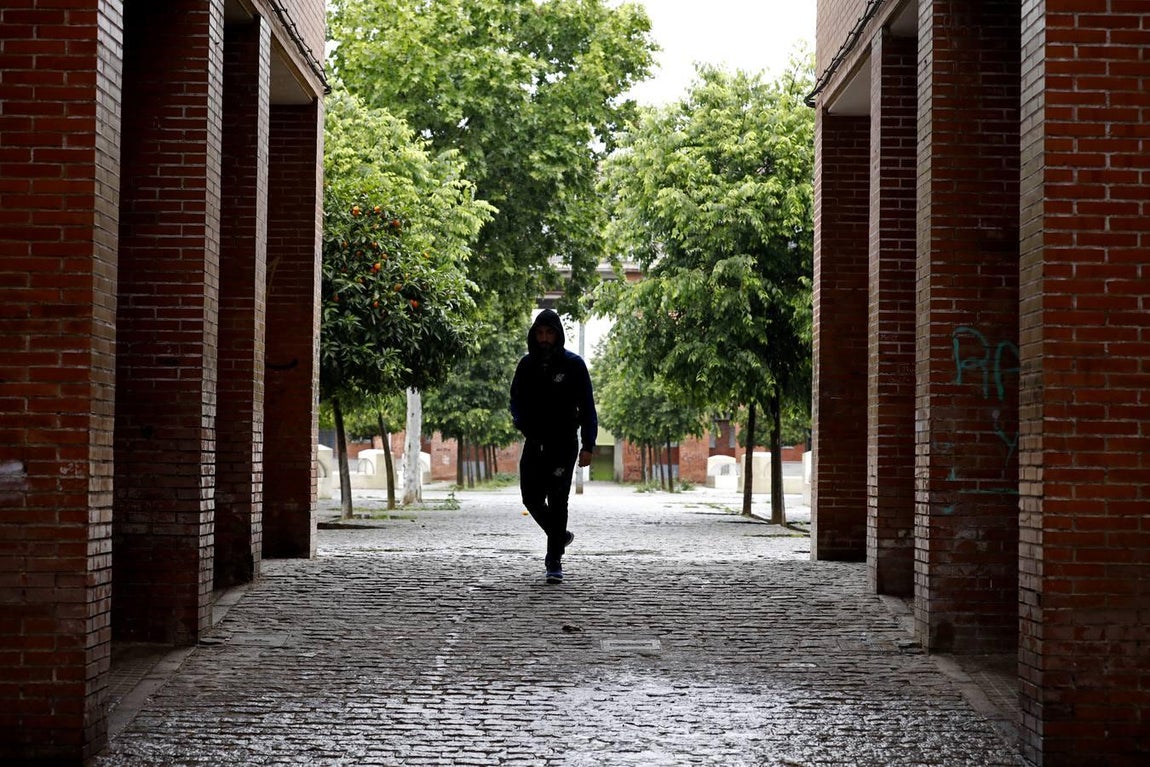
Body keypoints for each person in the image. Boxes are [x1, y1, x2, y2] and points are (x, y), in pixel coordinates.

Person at [509, 309, 598, 584]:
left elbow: (588, 408)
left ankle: (553, 560)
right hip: (535, 443)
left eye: (549, 333)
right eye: (540, 333)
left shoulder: (574, 365)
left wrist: (589, 445)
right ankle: (559, 536)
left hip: (564, 444)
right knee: (530, 498)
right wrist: (522, 424)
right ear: (534, 335)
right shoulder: (526, 366)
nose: (545, 338)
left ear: (557, 335)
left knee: (558, 500)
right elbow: (516, 401)